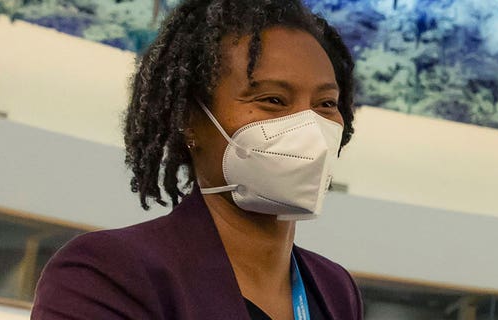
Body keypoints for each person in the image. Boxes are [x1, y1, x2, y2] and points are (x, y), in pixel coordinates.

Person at [31, 0, 362, 319]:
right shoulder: (106, 273)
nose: (310, 127)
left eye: (326, 105)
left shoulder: (334, 288)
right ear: (189, 121)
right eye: (273, 100)